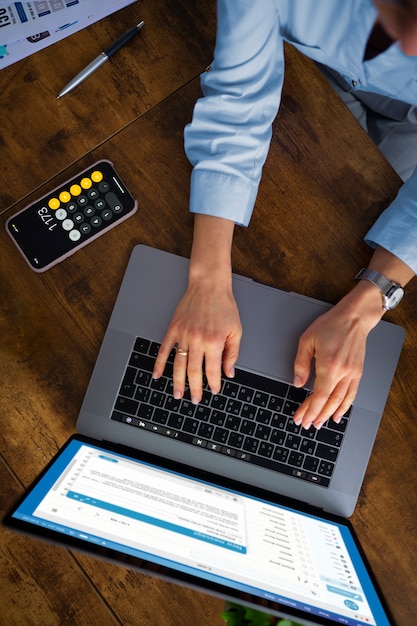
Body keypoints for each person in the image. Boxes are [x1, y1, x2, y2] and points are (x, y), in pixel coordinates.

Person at [153, 0, 417, 431]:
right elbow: (238, 104)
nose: (409, 46)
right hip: (313, 68)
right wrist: (207, 279)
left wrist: (367, 304)